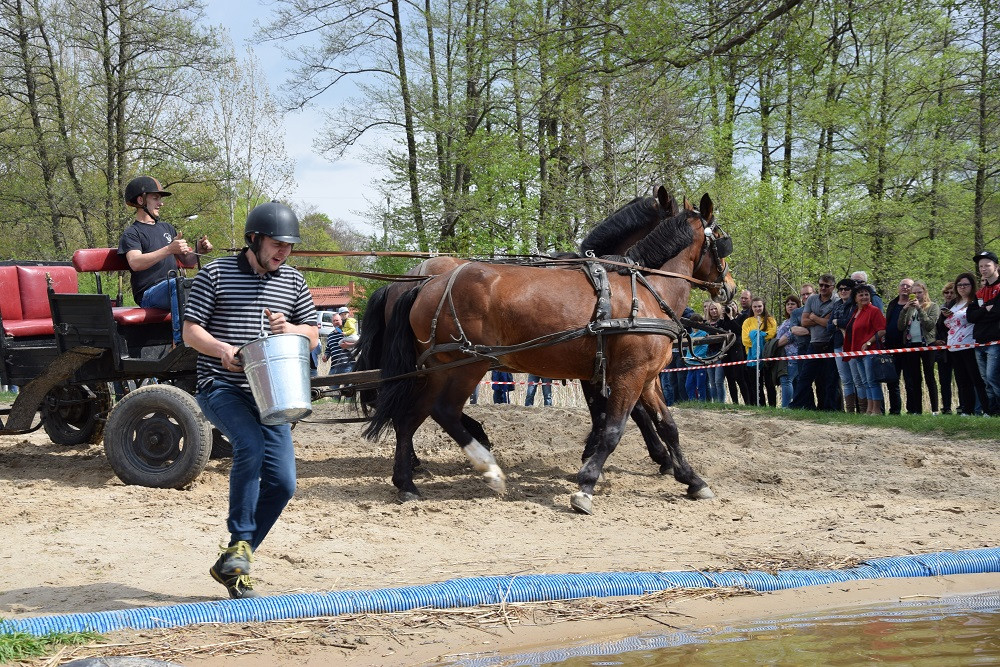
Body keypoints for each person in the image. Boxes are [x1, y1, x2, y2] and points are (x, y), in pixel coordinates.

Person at [182, 201, 318, 599]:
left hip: (273, 394)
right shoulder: (215, 273)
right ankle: (240, 538)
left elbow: (312, 334)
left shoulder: (292, 280)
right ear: (254, 239)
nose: (283, 252)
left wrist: (289, 328)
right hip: (221, 386)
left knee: (284, 484)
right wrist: (223, 349)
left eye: (288, 246)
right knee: (250, 446)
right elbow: (190, 332)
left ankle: (233, 560)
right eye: (277, 244)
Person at [118, 176, 212, 343]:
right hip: (148, 294)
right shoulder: (132, 233)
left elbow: (187, 261)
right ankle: (181, 343)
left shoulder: (167, 228)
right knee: (178, 284)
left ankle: (210, 338)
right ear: (141, 200)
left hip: (173, 287)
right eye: (155, 198)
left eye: (160, 199)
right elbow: (135, 262)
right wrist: (169, 249)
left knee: (203, 283)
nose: (160, 203)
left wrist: (199, 250)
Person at [790, 275, 839, 410]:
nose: (823, 288)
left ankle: (829, 408)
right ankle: (797, 404)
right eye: (821, 285)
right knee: (804, 377)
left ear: (833, 287)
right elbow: (804, 321)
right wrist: (822, 319)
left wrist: (814, 317)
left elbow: (830, 324)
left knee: (830, 379)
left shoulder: (837, 301)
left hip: (830, 343)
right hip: (814, 343)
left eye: (826, 286)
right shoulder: (812, 299)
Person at [944, 272, 989, 416]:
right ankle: (966, 410)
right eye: (959, 285)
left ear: (972, 285)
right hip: (953, 345)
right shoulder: (953, 303)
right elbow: (944, 324)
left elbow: (980, 318)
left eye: (965, 284)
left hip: (970, 344)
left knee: (977, 379)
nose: (962, 287)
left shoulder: (976, 301)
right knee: (962, 380)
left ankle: (987, 410)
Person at [897, 280, 940, 414]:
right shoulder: (909, 308)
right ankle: (917, 410)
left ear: (925, 292)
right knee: (915, 377)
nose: (916, 295)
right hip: (911, 344)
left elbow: (929, 325)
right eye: (914, 293)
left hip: (927, 344)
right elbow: (900, 326)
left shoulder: (933, 306)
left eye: (919, 292)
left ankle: (935, 409)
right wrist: (904, 310)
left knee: (929, 376)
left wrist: (920, 309)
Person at [967, 250, 1000, 416]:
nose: (983, 269)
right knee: (986, 380)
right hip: (979, 341)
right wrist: (986, 310)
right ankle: (993, 411)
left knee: (993, 377)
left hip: (996, 341)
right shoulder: (979, 292)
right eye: (981, 266)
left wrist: (983, 312)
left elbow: (997, 312)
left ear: (996, 266)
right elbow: (970, 316)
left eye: (987, 265)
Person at [846, 284, 887, 415]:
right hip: (857, 352)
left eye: (866, 294)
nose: (864, 297)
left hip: (870, 352)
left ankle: (877, 410)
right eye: (861, 295)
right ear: (855, 298)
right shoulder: (855, 312)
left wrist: (869, 342)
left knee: (872, 381)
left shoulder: (874, 310)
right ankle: (869, 410)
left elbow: (882, 330)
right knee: (865, 382)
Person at [830, 278, 862, 413]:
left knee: (857, 379)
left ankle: (863, 409)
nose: (843, 291)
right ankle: (850, 410)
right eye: (841, 289)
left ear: (852, 290)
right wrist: (839, 324)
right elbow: (829, 326)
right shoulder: (836, 305)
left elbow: (852, 324)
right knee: (846, 380)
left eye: (846, 289)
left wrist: (838, 322)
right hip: (838, 344)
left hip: (853, 345)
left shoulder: (856, 305)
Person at [883, 278, 914, 415]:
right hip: (891, 346)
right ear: (898, 287)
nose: (905, 287)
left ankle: (912, 409)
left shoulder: (913, 305)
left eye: (908, 286)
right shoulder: (893, 303)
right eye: (903, 285)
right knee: (892, 381)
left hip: (907, 346)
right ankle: (895, 410)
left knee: (909, 380)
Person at [741, 297, 777, 406]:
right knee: (756, 385)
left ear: (763, 306)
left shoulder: (770, 320)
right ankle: (760, 405)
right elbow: (745, 340)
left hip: (767, 355)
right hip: (752, 357)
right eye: (755, 306)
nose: (757, 308)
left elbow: (771, 335)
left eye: (759, 306)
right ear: (751, 308)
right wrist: (758, 337)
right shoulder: (747, 321)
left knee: (770, 384)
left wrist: (756, 335)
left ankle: (772, 406)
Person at [775, 294, 801, 408]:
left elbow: (789, 337)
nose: (790, 306)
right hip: (784, 355)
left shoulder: (798, 320)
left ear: (798, 306)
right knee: (793, 381)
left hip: (793, 355)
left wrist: (775, 345)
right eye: (788, 304)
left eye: (793, 304)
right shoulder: (786, 321)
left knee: (786, 380)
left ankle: (785, 407)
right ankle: (794, 406)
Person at [934, 282, 956, 414]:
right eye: (946, 292)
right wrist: (936, 341)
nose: (948, 295)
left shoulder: (960, 307)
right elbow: (936, 328)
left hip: (957, 346)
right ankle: (946, 407)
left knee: (961, 379)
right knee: (944, 380)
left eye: (951, 292)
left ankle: (963, 406)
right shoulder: (941, 308)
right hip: (943, 349)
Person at [704, 302, 727, 403]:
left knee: (718, 381)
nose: (713, 311)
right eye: (711, 309)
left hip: (720, 353)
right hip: (709, 353)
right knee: (712, 382)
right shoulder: (706, 324)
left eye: (715, 309)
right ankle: (715, 403)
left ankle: (721, 403)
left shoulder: (723, 322)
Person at [684, 314, 709, 401]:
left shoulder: (704, 334)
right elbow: (688, 350)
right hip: (690, 364)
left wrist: (696, 356)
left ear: (701, 323)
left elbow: (704, 348)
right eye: (693, 322)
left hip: (699, 363)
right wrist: (687, 358)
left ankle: (702, 402)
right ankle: (693, 401)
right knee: (688, 385)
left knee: (700, 385)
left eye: (697, 322)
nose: (695, 325)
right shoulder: (690, 335)